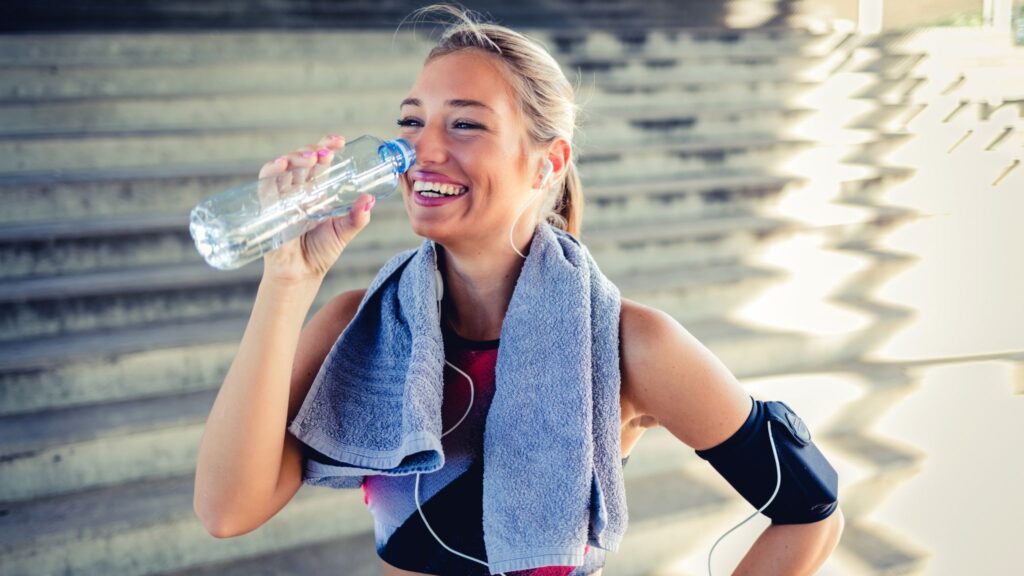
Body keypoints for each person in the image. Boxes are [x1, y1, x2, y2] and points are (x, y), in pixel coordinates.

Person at [193, 5, 844, 575]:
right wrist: (287, 281)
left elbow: (811, 512)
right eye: (412, 122)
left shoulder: (631, 346)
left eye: (465, 124)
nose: (422, 150)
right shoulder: (357, 327)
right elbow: (227, 511)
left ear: (548, 162)